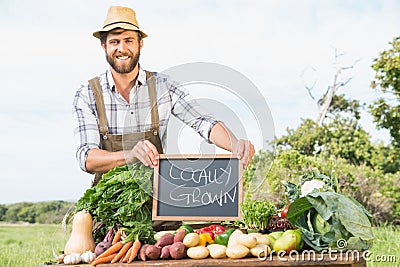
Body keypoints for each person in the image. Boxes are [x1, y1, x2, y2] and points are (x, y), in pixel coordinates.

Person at [72, 6, 255, 186]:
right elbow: (86, 157)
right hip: (109, 202)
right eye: (114, 42)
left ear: (140, 44)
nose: (122, 48)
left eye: (128, 40)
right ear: (103, 45)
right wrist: (130, 155)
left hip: (157, 195)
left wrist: (235, 143)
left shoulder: (163, 87)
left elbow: (203, 121)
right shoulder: (88, 94)